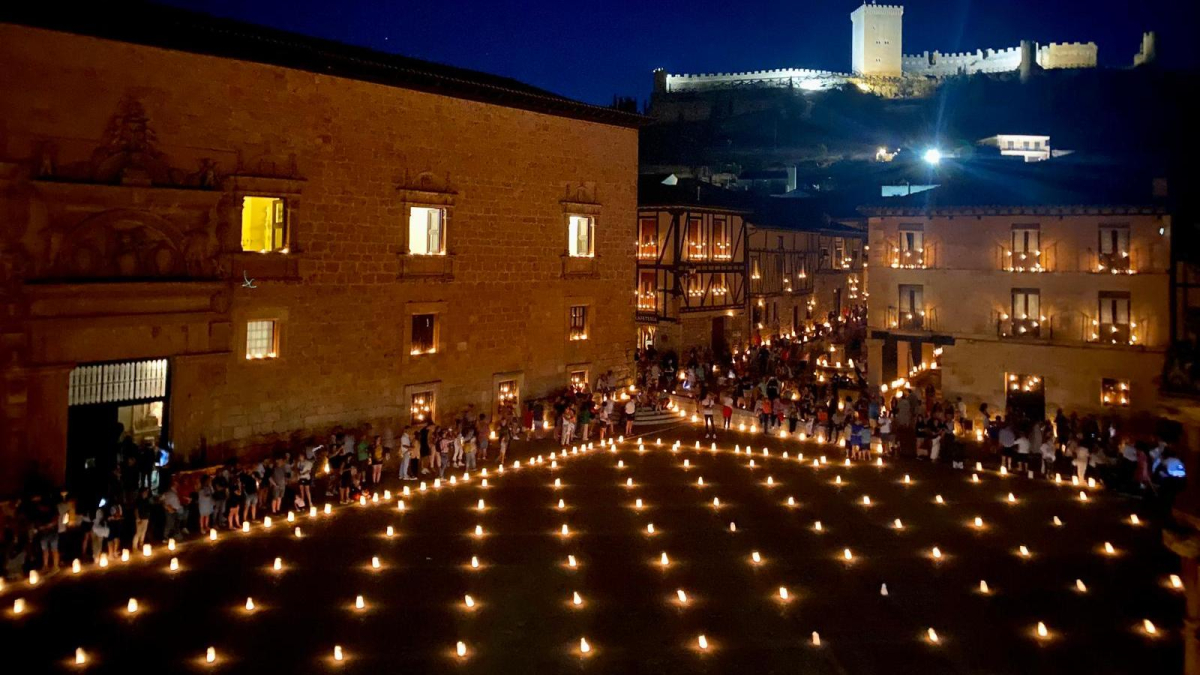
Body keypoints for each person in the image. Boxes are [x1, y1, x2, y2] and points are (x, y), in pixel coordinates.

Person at [131, 487, 152, 551]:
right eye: (145, 492)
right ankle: (134, 547)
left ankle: (141, 545)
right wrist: (137, 518)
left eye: (147, 492)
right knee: (138, 533)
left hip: (146, 518)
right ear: (142, 493)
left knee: (143, 532)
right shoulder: (138, 500)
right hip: (140, 518)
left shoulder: (147, 500)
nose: (146, 493)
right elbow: (136, 510)